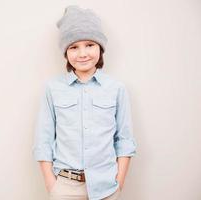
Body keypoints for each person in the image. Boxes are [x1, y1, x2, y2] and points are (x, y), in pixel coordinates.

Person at [32, 5, 137, 200]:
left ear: (100, 48)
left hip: (107, 187)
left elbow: (124, 139)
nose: (82, 54)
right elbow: (43, 140)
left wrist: (119, 183)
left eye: (90, 44)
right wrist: (52, 185)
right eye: (74, 47)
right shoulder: (52, 88)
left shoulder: (116, 88)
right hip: (65, 188)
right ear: (66, 52)